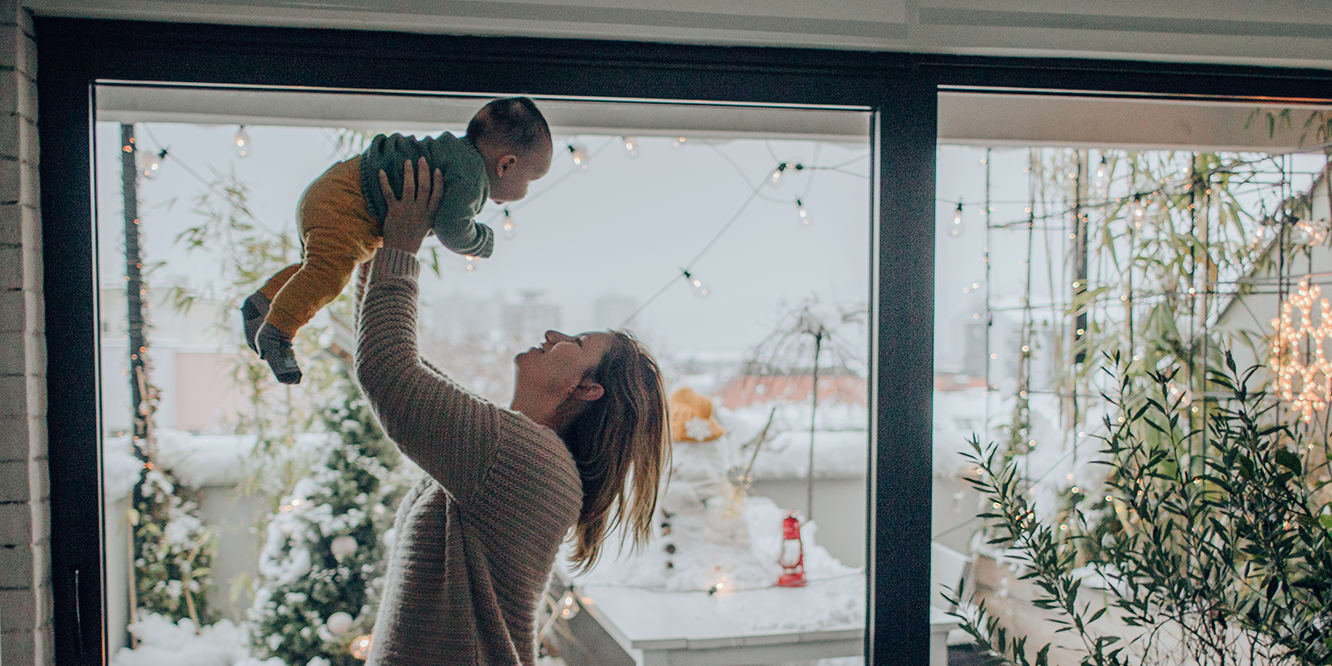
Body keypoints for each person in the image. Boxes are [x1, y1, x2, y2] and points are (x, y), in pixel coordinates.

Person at [355, 158, 671, 665]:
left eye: (576, 341)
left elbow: (387, 371)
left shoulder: (526, 458)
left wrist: (401, 244)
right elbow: (395, 363)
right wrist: (373, 248)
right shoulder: (519, 448)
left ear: (587, 389)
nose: (553, 335)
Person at [241, 97, 554, 384]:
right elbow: (453, 230)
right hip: (348, 203)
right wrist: (483, 241)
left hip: (333, 190)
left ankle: (264, 303)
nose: (525, 191)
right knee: (328, 273)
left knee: (315, 269)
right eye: (530, 182)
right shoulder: (471, 178)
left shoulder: (455, 155)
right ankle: (278, 332)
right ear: (506, 164)